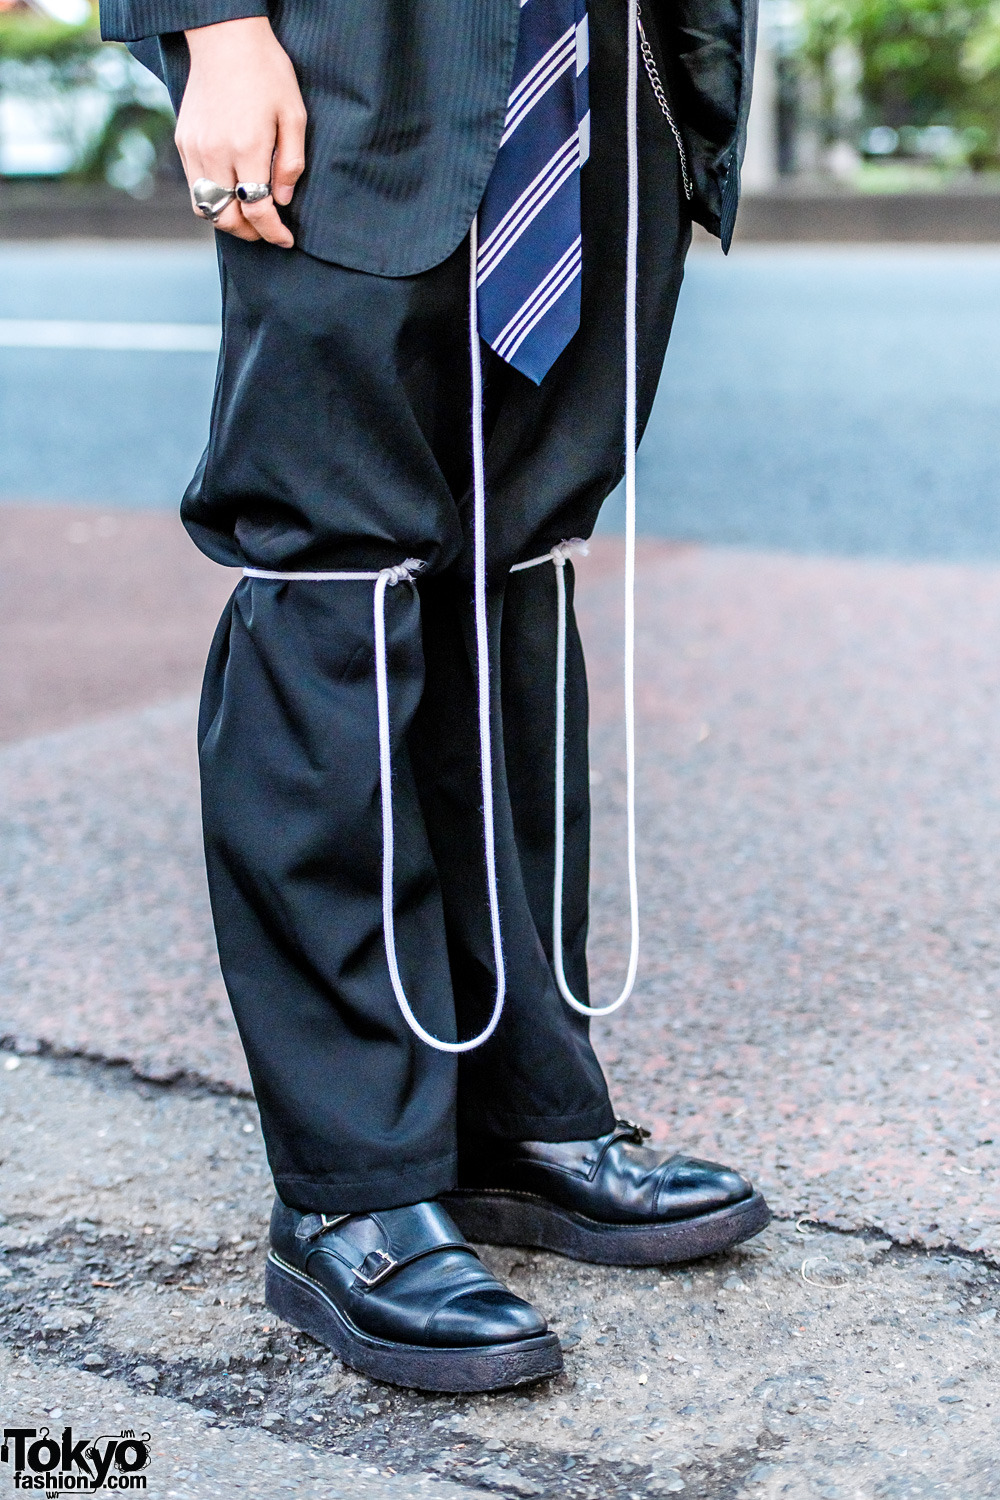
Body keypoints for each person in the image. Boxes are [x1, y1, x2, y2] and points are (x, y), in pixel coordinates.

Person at [100, 0, 766, 1394]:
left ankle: (519, 1109)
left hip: (608, 55)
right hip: (355, 49)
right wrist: (212, 27)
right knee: (331, 563)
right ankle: (352, 1181)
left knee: (514, 554)